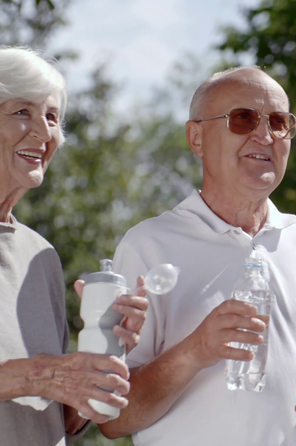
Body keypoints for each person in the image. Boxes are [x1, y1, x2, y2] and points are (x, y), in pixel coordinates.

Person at [98, 66, 296, 446]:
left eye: (279, 122)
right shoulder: (148, 245)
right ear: (196, 137)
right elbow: (113, 418)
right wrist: (195, 351)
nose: (265, 135)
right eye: (243, 119)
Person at [0, 47, 148, 445]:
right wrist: (45, 372)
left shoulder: (40, 256)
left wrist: (101, 358)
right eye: (21, 112)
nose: (43, 132)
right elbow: (40, 377)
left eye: (51, 117)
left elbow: (58, 420)